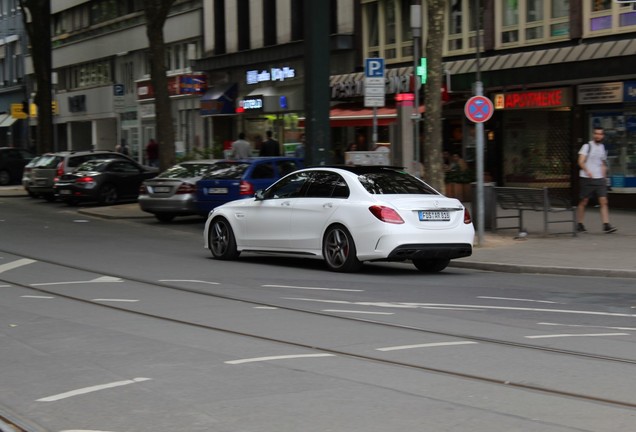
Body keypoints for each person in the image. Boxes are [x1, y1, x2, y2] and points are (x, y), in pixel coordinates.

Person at [576, 127, 616, 234]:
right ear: (593, 134)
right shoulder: (587, 146)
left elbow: (602, 163)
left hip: (599, 179)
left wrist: (604, 177)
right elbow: (580, 161)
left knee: (604, 201)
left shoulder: (602, 147)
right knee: (584, 201)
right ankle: (579, 224)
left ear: (603, 136)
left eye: (600, 134)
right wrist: (587, 171)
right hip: (587, 178)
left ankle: (606, 225)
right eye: (596, 134)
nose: (598, 136)